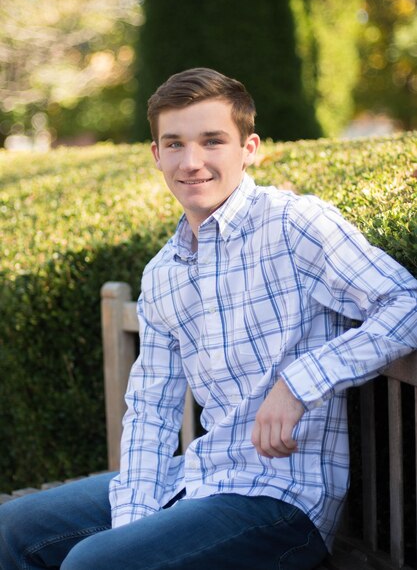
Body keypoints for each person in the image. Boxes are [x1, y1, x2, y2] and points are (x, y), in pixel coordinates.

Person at [1, 68, 417, 570]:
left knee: (94, 565)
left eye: (212, 141)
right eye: (174, 144)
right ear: (156, 155)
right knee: (12, 529)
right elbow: (152, 412)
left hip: (281, 502)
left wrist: (301, 382)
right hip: (196, 476)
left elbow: (405, 302)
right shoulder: (164, 273)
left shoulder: (294, 225)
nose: (191, 161)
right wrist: (137, 523)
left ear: (249, 148)